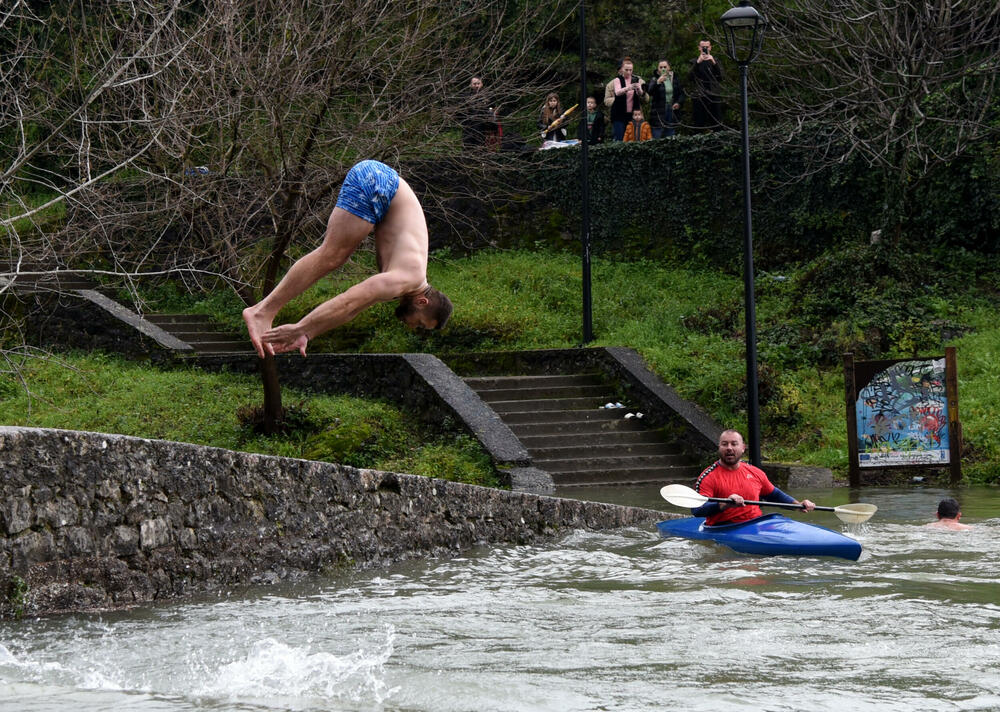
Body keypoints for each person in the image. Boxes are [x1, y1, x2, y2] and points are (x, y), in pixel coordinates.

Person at [242, 160, 453, 358]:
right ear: (422, 302)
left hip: (383, 186)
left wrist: (306, 333)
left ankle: (263, 311)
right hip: (379, 181)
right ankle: (262, 311)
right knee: (332, 255)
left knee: (335, 256)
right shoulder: (406, 278)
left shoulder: (406, 283)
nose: (413, 326)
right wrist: (302, 328)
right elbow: (348, 301)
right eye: (420, 324)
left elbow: (352, 310)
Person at [691, 429, 816, 526]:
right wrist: (723, 504)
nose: (729, 448)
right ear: (719, 448)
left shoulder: (755, 472)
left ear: (743, 448)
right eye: (725, 444)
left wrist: (798, 505)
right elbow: (697, 510)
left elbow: (774, 494)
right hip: (724, 527)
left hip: (756, 525)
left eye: (734, 444)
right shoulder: (708, 476)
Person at [604, 57, 645, 141]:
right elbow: (618, 92)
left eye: (631, 70)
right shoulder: (617, 80)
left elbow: (643, 96)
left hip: (633, 115)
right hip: (619, 114)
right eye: (626, 70)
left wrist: (639, 88)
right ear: (621, 70)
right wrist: (628, 88)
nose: (629, 72)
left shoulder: (637, 79)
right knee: (620, 138)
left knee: (634, 139)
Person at [687, 40, 724, 131]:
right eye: (703, 47)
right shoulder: (693, 61)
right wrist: (698, 63)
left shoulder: (716, 61)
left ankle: (718, 143)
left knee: (717, 122)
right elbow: (690, 77)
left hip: (714, 95)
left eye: (707, 47)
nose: (705, 49)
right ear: (699, 48)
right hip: (699, 96)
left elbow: (721, 77)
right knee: (698, 123)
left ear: (710, 47)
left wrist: (714, 62)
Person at [646, 59, 684, 138]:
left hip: (672, 109)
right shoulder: (654, 79)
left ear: (669, 68)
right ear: (658, 69)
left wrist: (678, 103)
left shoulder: (674, 78)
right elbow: (650, 92)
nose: (663, 69)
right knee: (657, 134)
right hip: (658, 111)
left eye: (665, 67)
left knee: (670, 134)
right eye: (660, 67)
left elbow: (681, 93)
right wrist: (658, 82)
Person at [460, 76, 498, 149]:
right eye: (474, 84)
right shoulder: (465, 96)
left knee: (481, 144)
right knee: (468, 144)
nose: (477, 86)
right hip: (469, 124)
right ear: (471, 85)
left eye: (478, 83)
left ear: (482, 84)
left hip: (483, 123)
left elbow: (492, 108)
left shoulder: (488, 95)